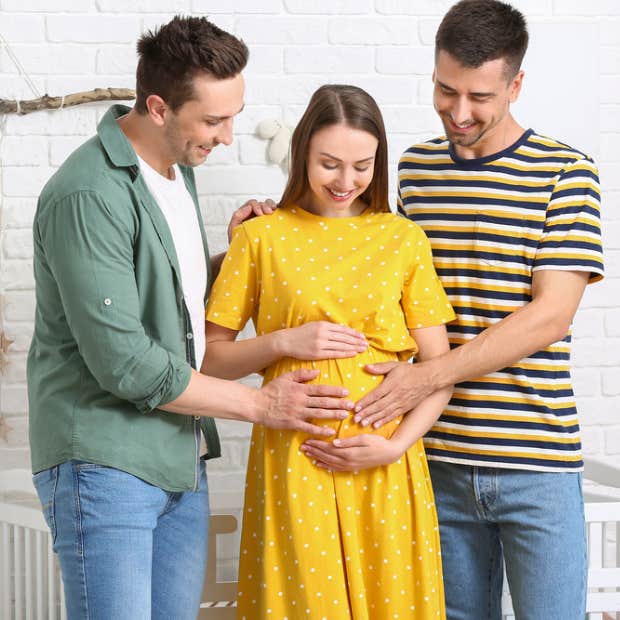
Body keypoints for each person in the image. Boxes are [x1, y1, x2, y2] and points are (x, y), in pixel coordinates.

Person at [27, 17, 353, 620]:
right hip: (105, 462)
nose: (227, 137)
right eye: (212, 120)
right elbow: (125, 361)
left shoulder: (179, 175)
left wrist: (232, 258)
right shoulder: (88, 194)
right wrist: (261, 405)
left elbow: (161, 299)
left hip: (178, 455)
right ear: (157, 107)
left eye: (234, 116)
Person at [313, 2, 604, 619]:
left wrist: (424, 377)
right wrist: (275, 220)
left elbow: (550, 317)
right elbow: (369, 271)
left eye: (480, 96)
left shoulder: (566, 173)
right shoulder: (415, 171)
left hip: (536, 464)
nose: (460, 112)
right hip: (433, 460)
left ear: (516, 85)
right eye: (446, 90)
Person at [203, 84, 456, 619]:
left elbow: (440, 373)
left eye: (362, 166)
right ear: (301, 155)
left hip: (386, 462)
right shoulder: (260, 238)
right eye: (329, 164)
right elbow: (210, 361)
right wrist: (281, 342)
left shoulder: (404, 238)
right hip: (297, 459)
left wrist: (395, 446)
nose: (346, 182)